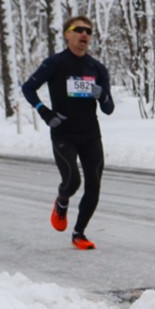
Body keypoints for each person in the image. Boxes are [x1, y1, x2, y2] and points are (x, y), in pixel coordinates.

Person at [22, 16, 115, 250]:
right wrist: (45, 112)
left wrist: (102, 95)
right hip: (64, 133)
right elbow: (28, 88)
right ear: (67, 34)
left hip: (90, 134)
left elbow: (108, 108)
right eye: (79, 29)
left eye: (89, 31)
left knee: (94, 184)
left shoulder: (97, 68)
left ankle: (79, 233)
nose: (84, 34)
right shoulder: (55, 63)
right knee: (72, 181)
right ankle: (61, 202)